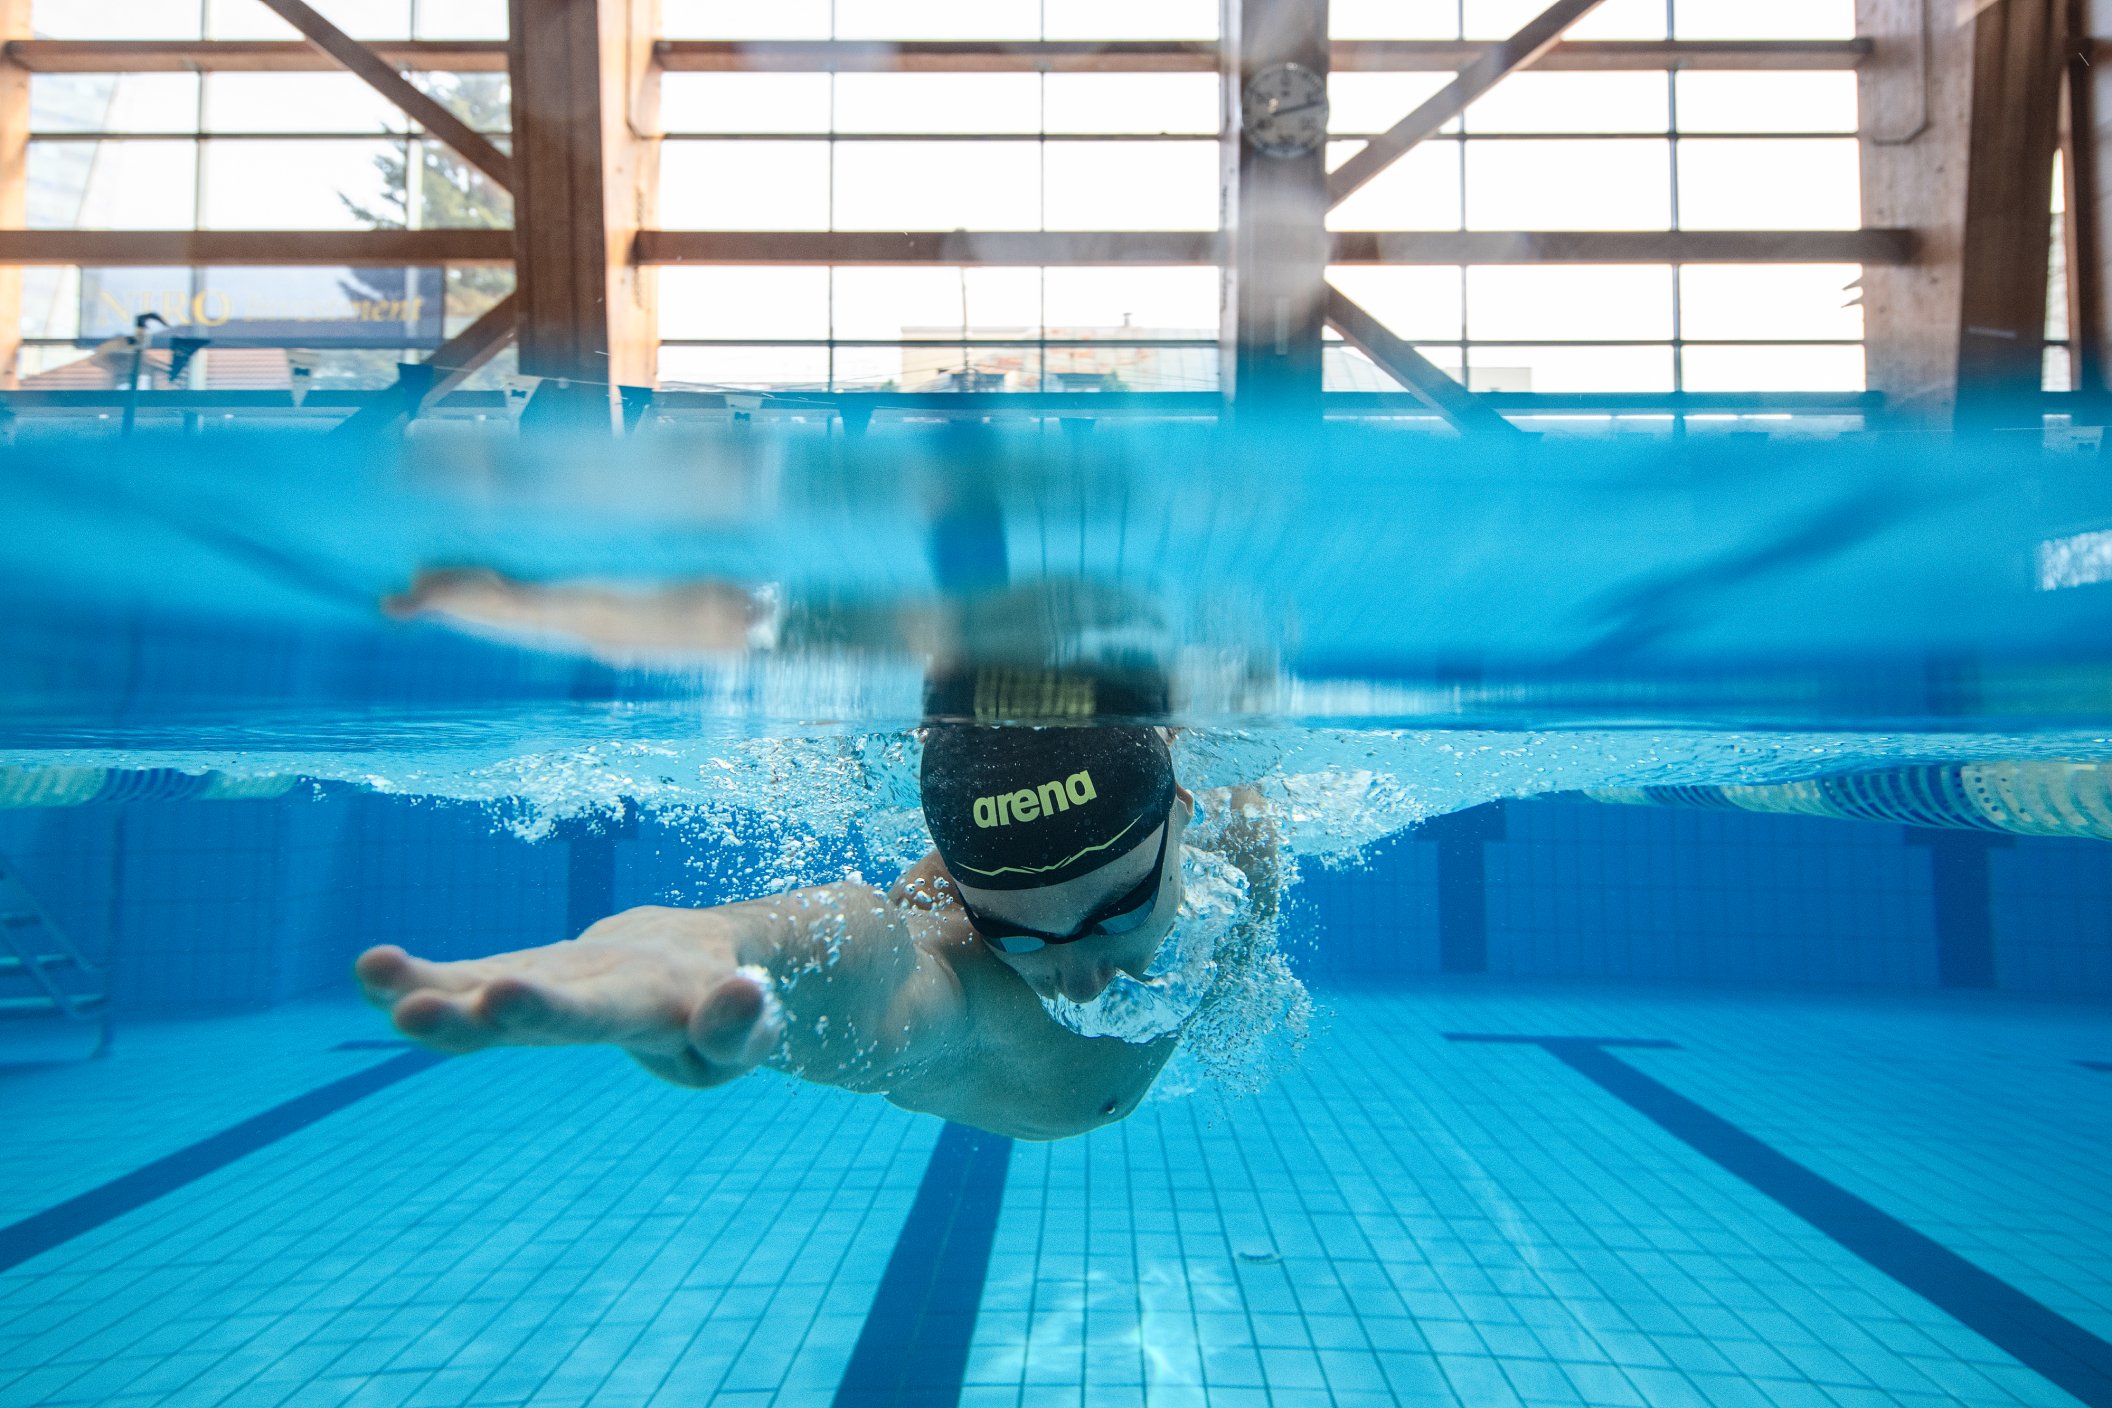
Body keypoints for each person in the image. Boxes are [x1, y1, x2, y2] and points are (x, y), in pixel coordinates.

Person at [358, 674, 1282, 1141]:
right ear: (964, 900)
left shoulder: (1241, 825)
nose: (1079, 980)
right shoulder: (962, 971)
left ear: (1183, 815)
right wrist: (723, 946)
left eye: (1118, 914)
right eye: (1016, 936)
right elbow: (880, 973)